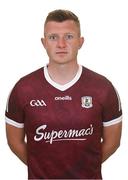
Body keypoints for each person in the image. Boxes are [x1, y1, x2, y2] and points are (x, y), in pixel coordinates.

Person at [5, 9, 122, 179]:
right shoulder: (23, 89)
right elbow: (14, 142)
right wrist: (42, 170)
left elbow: (113, 143)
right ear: (43, 42)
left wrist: (86, 168)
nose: (61, 44)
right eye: (53, 37)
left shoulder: (103, 88)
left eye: (68, 36)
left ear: (80, 42)